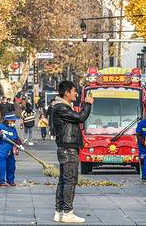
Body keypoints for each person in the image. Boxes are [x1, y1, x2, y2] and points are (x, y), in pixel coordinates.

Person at [52, 80, 93, 223]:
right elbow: (80, 117)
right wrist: (87, 104)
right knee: (70, 180)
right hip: (68, 148)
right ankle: (67, 212)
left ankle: (59, 212)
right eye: (74, 91)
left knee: (64, 180)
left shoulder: (62, 107)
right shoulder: (61, 107)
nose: (76, 94)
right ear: (66, 93)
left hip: (67, 147)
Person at [0, 113, 23, 187]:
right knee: (2, 166)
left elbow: (16, 138)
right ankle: (1, 181)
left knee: (12, 166)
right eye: (13, 121)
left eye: (14, 121)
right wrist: (0, 134)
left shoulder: (13, 129)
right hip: (1, 150)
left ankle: (10, 180)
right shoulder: (0, 126)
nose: (14, 122)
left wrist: (20, 145)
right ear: (7, 120)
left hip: (10, 151)